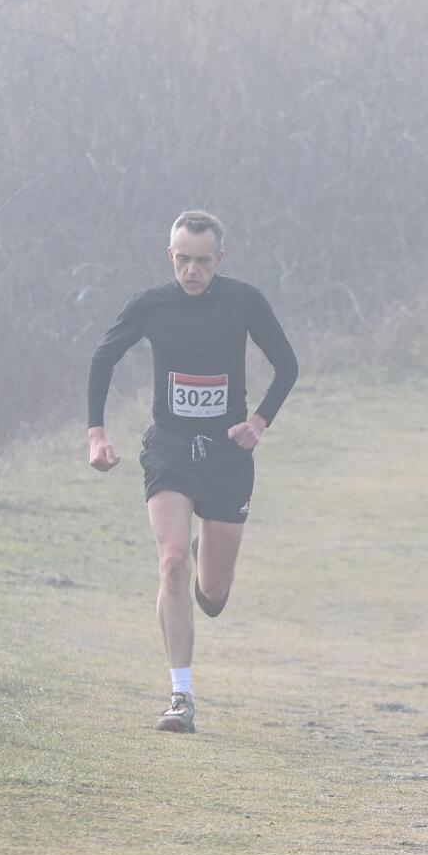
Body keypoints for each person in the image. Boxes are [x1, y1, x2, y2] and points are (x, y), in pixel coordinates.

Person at [86, 211, 299, 735]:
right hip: (171, 449)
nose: (192, 271)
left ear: (219, 259)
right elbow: (103, 359)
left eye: (203, 261)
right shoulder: (150, 305)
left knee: (214, 596)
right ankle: (180, 697)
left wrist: (258, 423)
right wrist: (97, 433)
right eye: (182, 260)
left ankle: (208, 554)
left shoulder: (244, 301)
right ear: (170, 256)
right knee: (172, 562)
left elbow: (287, 365)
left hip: (227, 455)